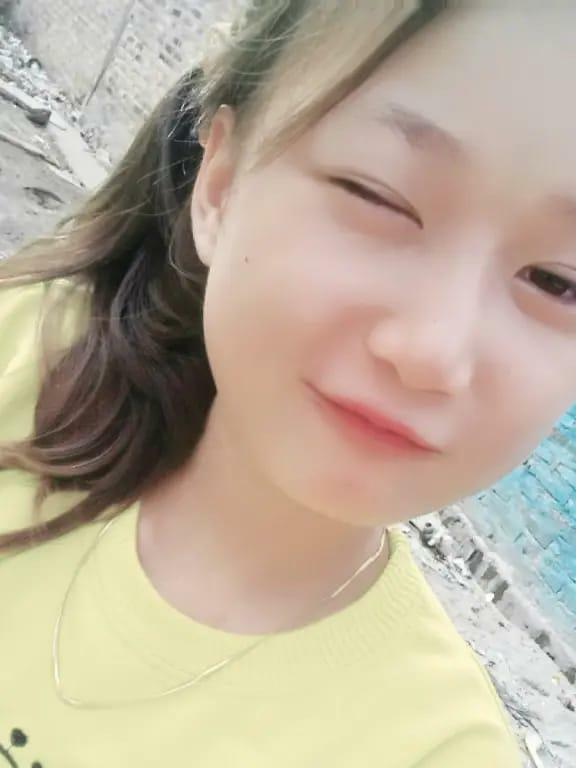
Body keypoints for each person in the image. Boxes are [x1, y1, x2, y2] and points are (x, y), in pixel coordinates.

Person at [1, 0, 574, 764]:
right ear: (219, 185)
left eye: (558, 282)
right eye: (377, 195)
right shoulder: (24, 347)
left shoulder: (433, 750)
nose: (433, 352)